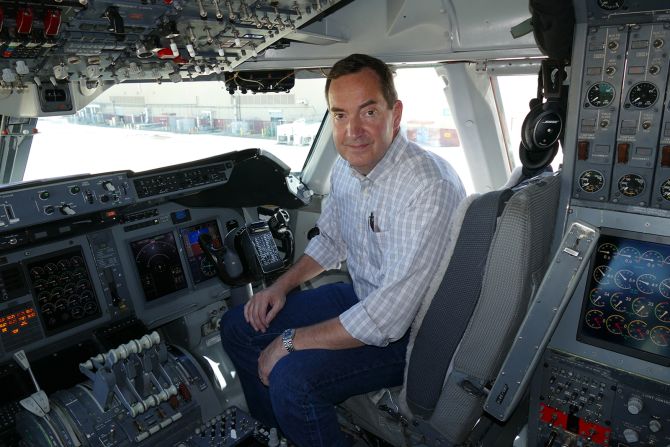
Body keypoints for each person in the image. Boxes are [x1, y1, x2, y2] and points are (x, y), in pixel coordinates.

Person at [220, 53, 466, 446]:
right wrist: (279, 288)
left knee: (292, 379)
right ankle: (277, 435)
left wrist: (287, 343)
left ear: (395, 113)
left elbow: (387, 321)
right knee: (238, 327)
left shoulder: (427, 187)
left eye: (368, 111)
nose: (353, 130)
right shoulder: (346, 168)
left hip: (416, 334)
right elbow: (331, 240)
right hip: (365, 298)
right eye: (339, 115)